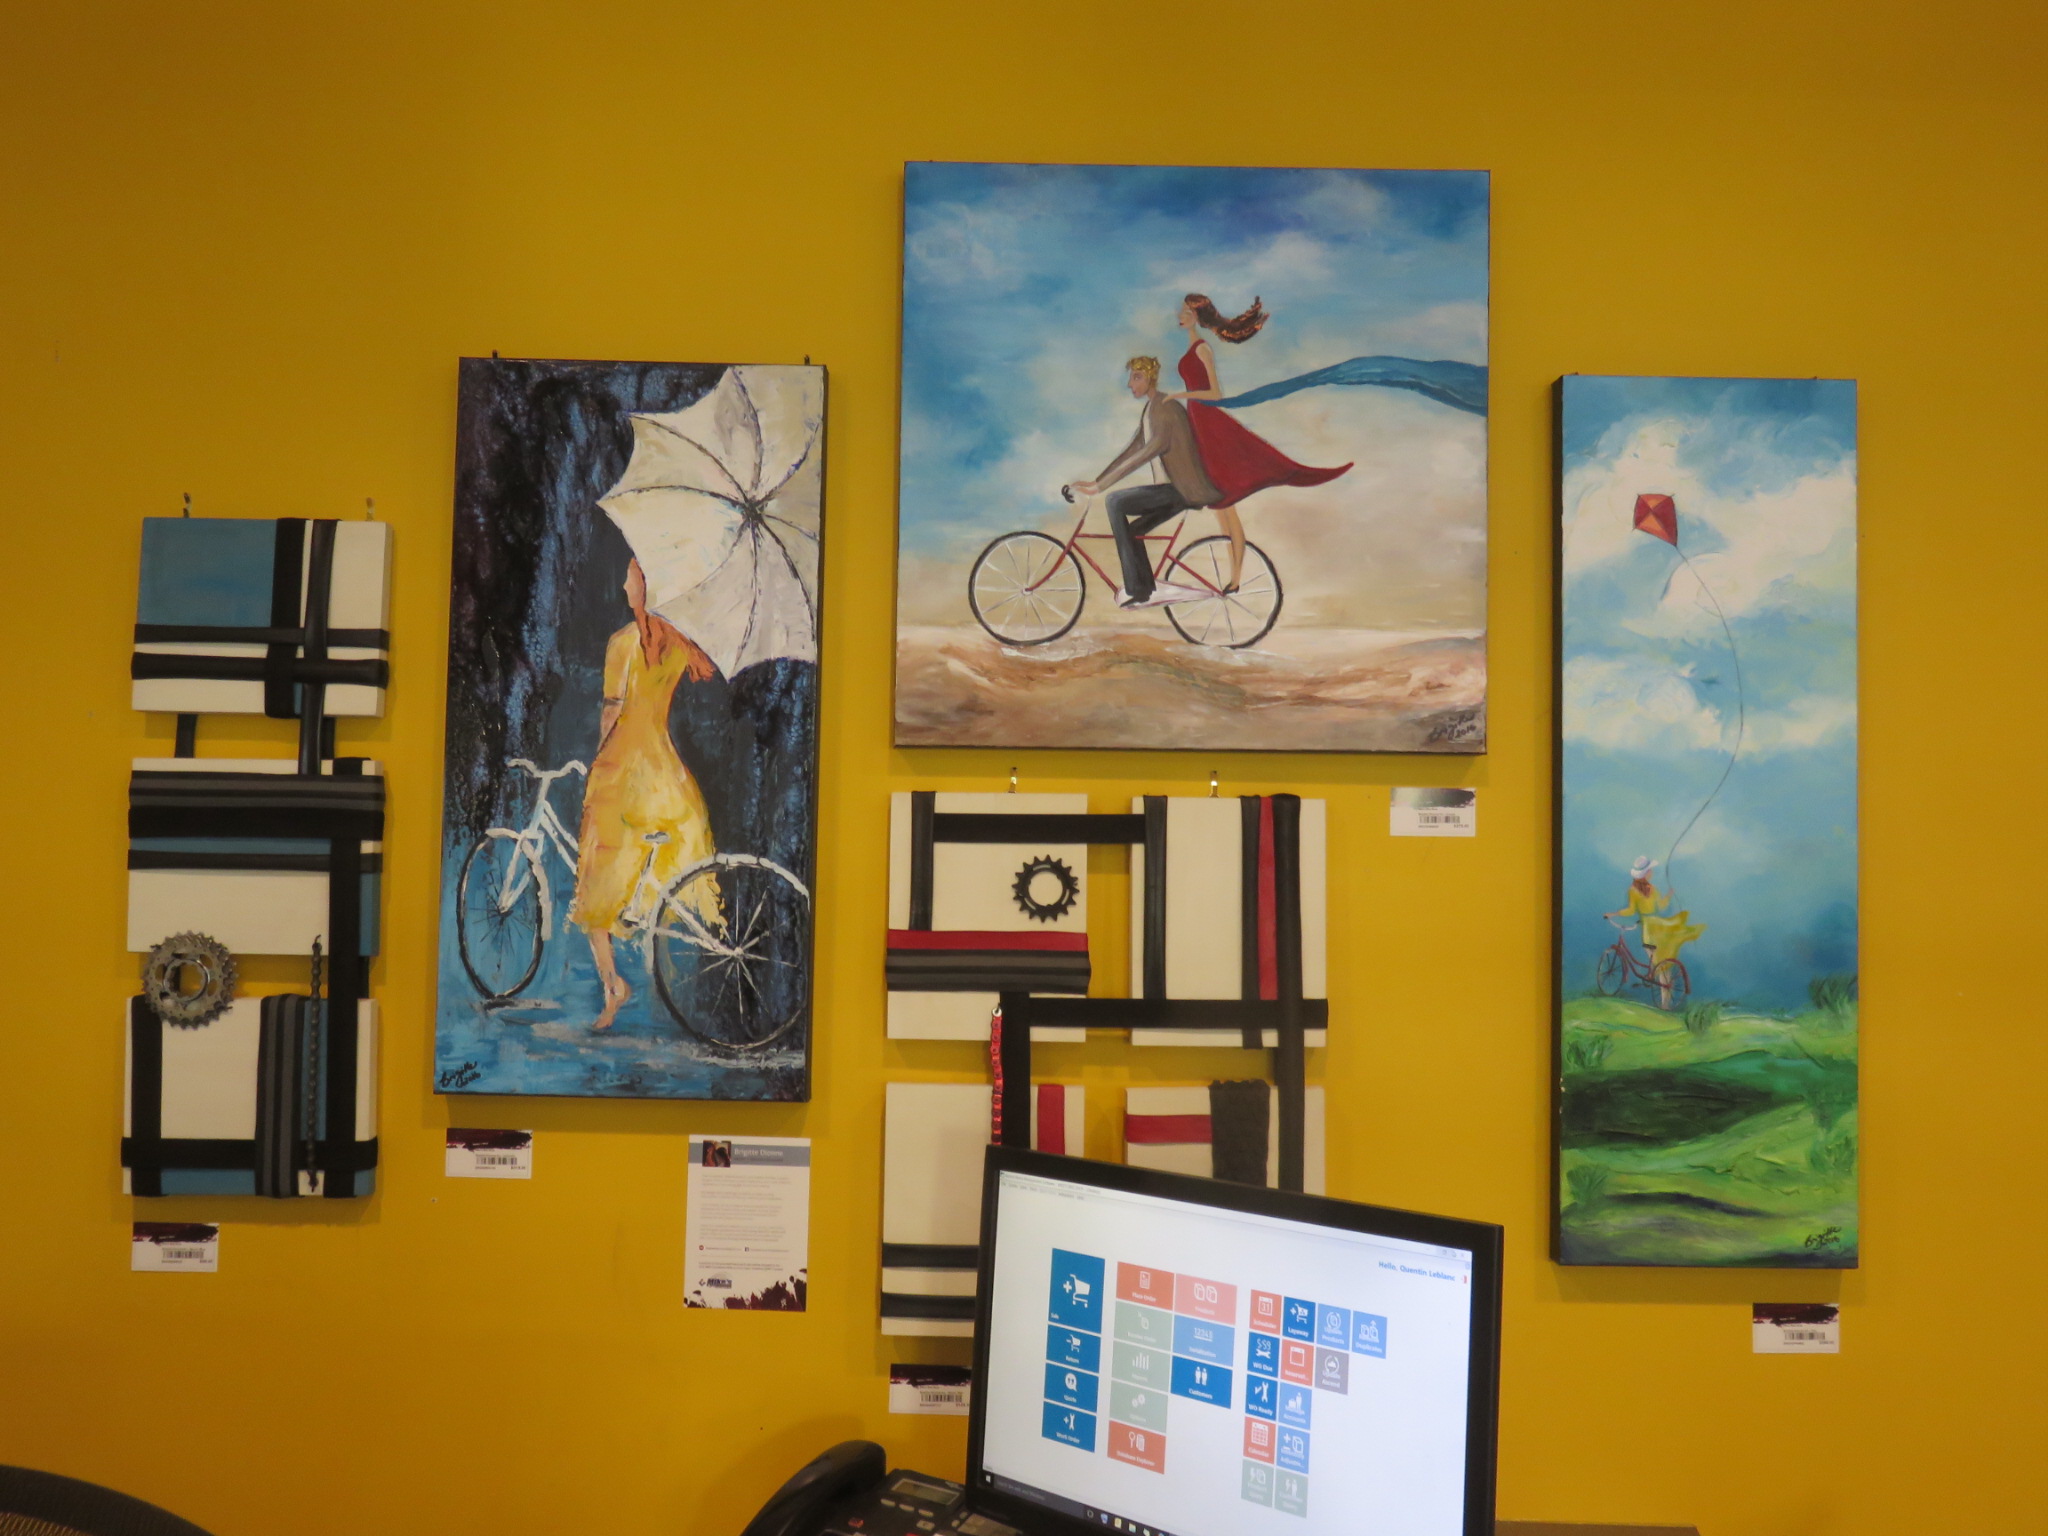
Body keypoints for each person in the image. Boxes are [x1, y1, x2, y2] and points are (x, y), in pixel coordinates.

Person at [570, 558, 722, 1030]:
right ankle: (641, 915)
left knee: (596, 878)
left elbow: (613, 709)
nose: (624, 583)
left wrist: (598, 759)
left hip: (623, 770)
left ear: (645, 587)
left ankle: (612, 984)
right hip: (664, 771)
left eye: (631, 577)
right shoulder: (678, 646)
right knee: (656, 863)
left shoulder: (622, 643)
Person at [1164, 293, 1352, 592]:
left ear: (1197, 316)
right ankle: (1232, 578)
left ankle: (1235, 578)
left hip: (1211, 424)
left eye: (1187, 311)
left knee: (1226, 503)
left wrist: (1180, 395)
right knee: (1220, 506)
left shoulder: (1202, 349)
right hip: (1198, 424)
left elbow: (1215, 393)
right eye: (1182, 310)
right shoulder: (1192, 347)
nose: (1181, 314)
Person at [1069, 356, 1221, 608]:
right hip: (1171, 490)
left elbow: (1151, 449)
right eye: (1131, 377)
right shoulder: (1151, 409)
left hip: (1180, 489)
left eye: (1136, 377)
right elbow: (1132, 450)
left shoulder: (1166, 406)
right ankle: (1146, 589)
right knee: (1133, 532)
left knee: (1115, 502)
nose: (1131, 384)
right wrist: (1097, 481)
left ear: (1151, 378)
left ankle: (1136, 589)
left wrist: (1101, 488)